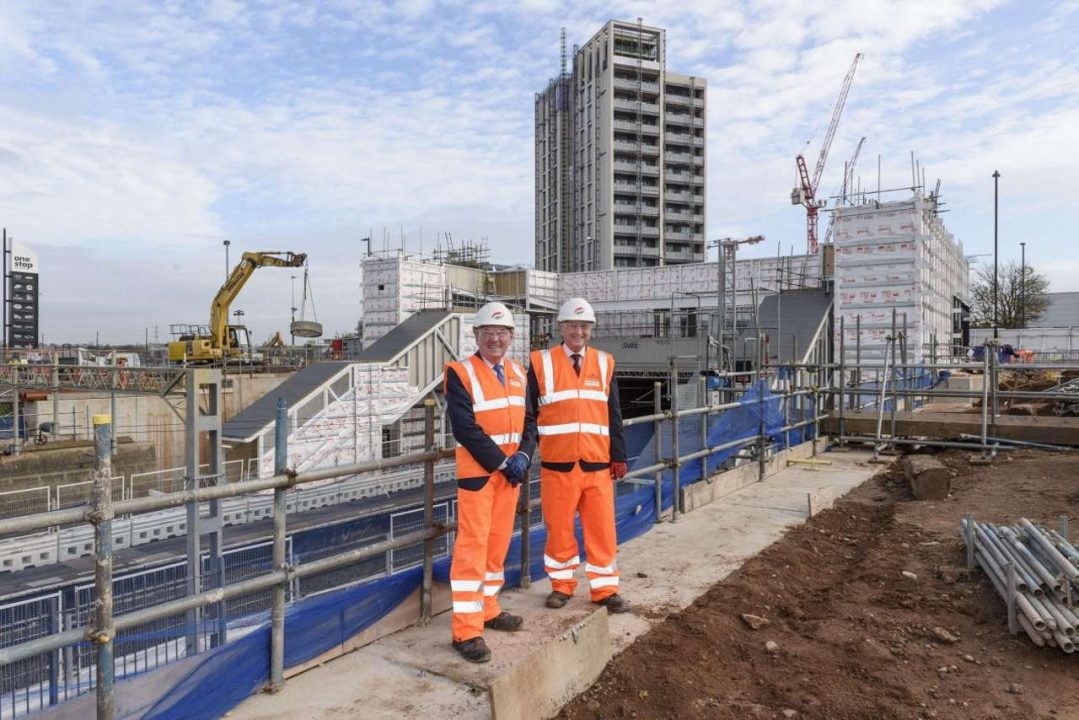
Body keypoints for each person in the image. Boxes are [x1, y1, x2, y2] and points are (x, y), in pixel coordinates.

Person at [444, 301, 536, 663]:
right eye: (488, 333)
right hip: (481, 476)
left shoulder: (518, 372)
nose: (495, 339)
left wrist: (524, 457)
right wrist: (502, 462)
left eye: (502, 333)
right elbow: (464, 428)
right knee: (472, 548)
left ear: (512, 337)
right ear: (476, 336)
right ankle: (466, 631)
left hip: (510, 476)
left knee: (497, 545)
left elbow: (530, 422)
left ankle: (489, 609)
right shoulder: (460, 372)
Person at [527, 297, 629, 614]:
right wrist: (524, 455)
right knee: (559, 529)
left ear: (591, 330)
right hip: (558, 465)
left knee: (602, 530)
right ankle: (561, 586)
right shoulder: (540, 362)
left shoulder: (604, 362)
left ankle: (605, 589)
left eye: (584, 326)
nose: (578, 331)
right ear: (561, 327)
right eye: (572, 325)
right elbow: (528, 415)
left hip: (597, 463)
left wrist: (618, 454)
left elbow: (614, 412)